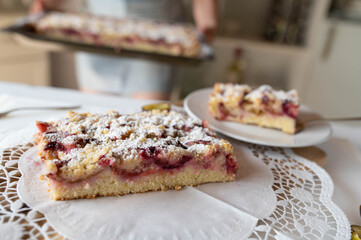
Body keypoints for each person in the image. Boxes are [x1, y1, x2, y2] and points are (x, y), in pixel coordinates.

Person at [30, 0, 218, 100]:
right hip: (97, 33)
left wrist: (207, 22)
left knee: (147, 120)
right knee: (95, 116)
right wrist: (46, 4)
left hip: (159, 39)